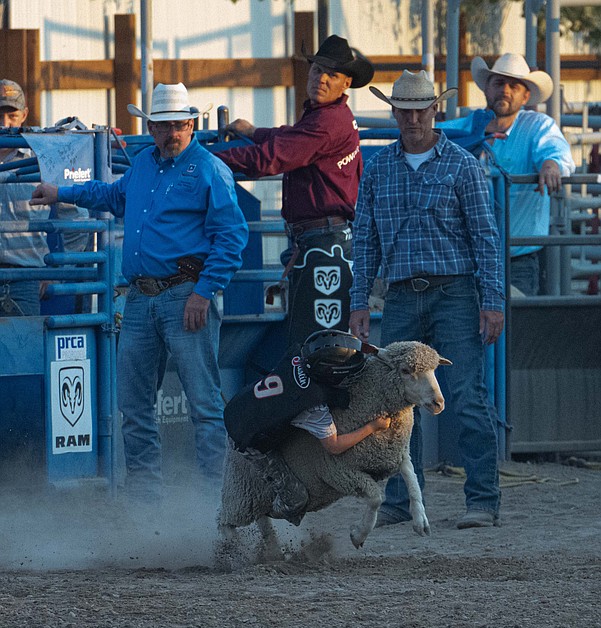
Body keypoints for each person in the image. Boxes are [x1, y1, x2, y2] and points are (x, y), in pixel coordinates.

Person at [31, 82, 249, 502]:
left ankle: (219, 505)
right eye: (161, 126)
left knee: (203, 404)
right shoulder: (146, 165)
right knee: (136, 406)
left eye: (176, 125)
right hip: (144, 297)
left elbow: (232, 237)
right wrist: (63, 192)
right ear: (151, 127)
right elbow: (112, 195)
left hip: (185, 293)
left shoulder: (207, 168)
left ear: (190, 124)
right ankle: (149, 504)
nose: (169, 133)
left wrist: (204, 293)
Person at [349, 70, 505, 530]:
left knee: (466, 396)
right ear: (395, 113)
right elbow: (365, 240)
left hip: (453, 291)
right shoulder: (378, 168)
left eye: (421, 110)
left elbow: (485, 238)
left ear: (434, 111)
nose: (414, 118)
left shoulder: (461, 165)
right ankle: (402, 499)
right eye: (406, 110)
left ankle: (482, 499)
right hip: (404, 294)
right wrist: (360, 300)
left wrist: (491, 300)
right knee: (396, 404)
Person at [215, 35, 374, 346]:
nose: (321, 79)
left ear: (346, 84)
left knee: (314, 343)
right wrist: (255, 132)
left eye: (332, 75)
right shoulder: (330, 117)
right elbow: (292, 138)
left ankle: (313, 393)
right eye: (317, 71)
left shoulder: (326, 122)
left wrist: (207, 160)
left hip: (322, 245)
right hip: (326, 241)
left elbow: (272, 157)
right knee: (320, 339)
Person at [439, 54, 575, 296]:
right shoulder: (466, 127)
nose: (505, 90)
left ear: (525, 96)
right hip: (464, 261)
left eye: (514, 85)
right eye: (499, 83)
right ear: (486, 89)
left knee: (515, 326)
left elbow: (556, 150)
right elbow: (426, 142)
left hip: (516, 259)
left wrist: (551, 164)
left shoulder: (537, 126)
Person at [224, 329, 390, 523]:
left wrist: (379, 353)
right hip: (247, 435)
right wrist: (373, 427)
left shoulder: (300, 355)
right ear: (332, 374)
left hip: (242, 404)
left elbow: (348, 347)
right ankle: (263, 512)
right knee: (296, 500)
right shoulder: (312, 406)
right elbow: (334, 446)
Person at [0, 79, 88, 316]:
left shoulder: (43, 160)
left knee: (24, 350)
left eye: (12, 115)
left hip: (25, 277)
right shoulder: (43, 159)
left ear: (25, 115)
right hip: (26, 277)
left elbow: (76, 218)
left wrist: (59, 272)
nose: (4, 123)